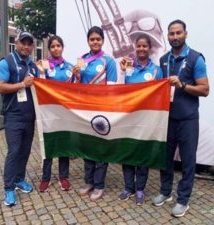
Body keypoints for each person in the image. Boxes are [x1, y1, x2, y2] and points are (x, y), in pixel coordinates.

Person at [152, 20, 209, 217]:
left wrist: (183, 85)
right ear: (167, 36)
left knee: (188, 161)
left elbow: (205, 89)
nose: (175, 37)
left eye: (178, 33)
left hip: (188, 119)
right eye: (171, 34)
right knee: (165, 159)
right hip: (168, 118)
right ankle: (165, 192)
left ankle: (183, 200)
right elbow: (158, 84)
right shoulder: (164, 59)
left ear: (186, 34)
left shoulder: (195, 58)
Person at [0, 31, 39, 206]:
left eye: (29, 43)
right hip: (13, 116)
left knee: (25, 151)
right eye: (23, 43)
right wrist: (22, 84)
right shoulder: (7, 62)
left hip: (29, 117)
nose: (26, 46)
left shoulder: (33, 66)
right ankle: (9, 188)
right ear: (17, 43)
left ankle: (20, 179)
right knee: (14, 151)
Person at [73, 26, 117, 201]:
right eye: (92, 39)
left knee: (100, 148)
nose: (95, 42)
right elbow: (77, 86)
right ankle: (89, 182)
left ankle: (99, 185)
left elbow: (112, 88)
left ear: (103, 40)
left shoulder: (109, 61)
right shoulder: (82, 59)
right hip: (85, 110)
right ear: (88, 41)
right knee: (87, 147)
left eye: (98, 39)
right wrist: (76, 76)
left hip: (102, 110)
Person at [118, 34, 163, 205]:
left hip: (146, 120)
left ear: (150, 48)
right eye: (139, 46)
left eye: (145, 46)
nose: (142, 49)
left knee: (143, 155)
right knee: (128, 153)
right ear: (135, 48)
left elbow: (161, 95)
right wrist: (122, 71)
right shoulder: (128, 66)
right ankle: (128, 187)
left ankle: (139, 189)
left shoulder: (156, 70)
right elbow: (120, 89)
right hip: (128, 119)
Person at [37, 35, 74, 192]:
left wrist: (78, 76)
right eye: (53, 46)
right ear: (49, 49)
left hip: (65, 113)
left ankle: (63, 177)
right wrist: (42, 72)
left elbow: (75, 90)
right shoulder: (43, 67)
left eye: (58, 45)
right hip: (49, 113)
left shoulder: (71, 68)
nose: (56, 48)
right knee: (49, 144)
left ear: (62, 47)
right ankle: (45, 177)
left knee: (64, 145)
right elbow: (40, 87)